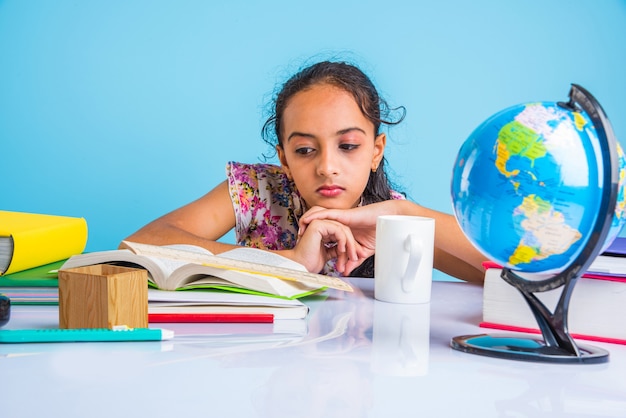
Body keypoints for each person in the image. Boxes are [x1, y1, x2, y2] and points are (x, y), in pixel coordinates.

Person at [123, 60, 486, 283]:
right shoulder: (257, 189)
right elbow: (139, 245)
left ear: (376, 151)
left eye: (347, 146)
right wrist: (291, 262)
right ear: (284, 158)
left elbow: (508, 274)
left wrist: (405, 212)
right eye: (305, 150)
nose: (327, 167)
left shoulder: (389, 221)